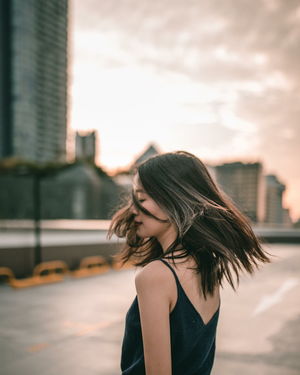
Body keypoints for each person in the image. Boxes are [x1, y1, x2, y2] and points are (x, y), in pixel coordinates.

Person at [107, 150, 272, 375]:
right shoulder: (207, 268)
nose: (133, 210)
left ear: (172, 198)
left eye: (141, 198)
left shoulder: (156, 276)